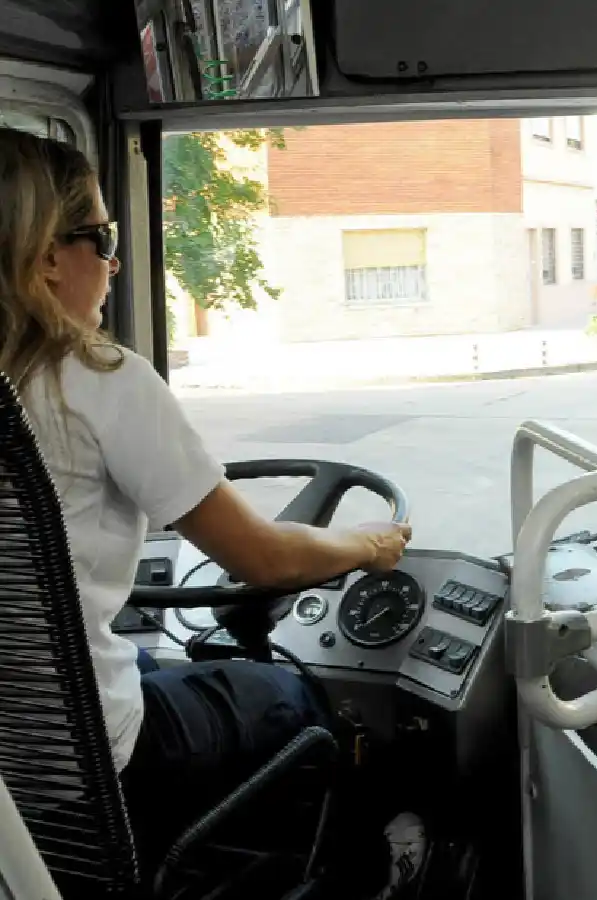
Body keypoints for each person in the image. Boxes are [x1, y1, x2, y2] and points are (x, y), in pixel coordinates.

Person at [0, 127, 424, 897]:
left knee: (166, 666)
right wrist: (363, 547)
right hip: (86, 765)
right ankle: (368, 872)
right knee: (294, 700)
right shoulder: (96, 379)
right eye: (102, 237)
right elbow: (264, 558)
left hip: (12, 779)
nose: (115, 260)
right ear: (45, 255)